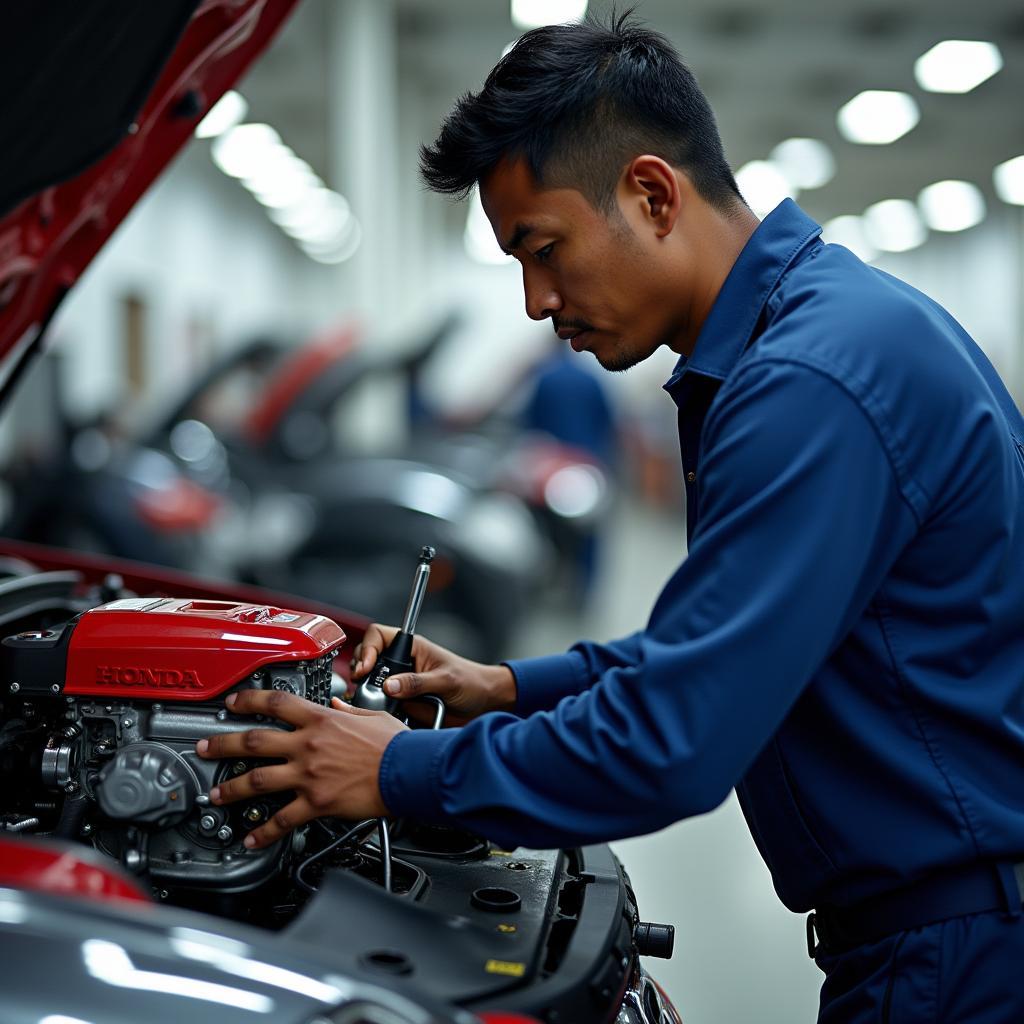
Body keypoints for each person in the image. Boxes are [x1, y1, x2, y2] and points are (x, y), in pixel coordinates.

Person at [197, 11, 1024, 1021]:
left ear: (650, 193)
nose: (537, 300)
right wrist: (504, 688)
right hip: (945, 929)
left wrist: (399, 767)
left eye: (542, 248)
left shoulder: (810, 383)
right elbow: (713, 650)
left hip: (959, 954)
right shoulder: (812, 340)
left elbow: (674, 737)